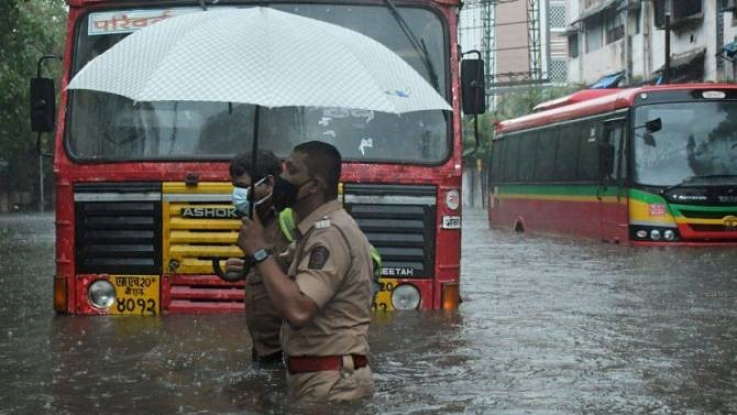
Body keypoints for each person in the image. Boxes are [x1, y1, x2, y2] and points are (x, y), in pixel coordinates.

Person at [237, 141, 375, 403]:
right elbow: (284, 276)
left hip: (332, 385)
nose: (282, 179)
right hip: (318, 379)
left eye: (292, 172)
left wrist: (259, 252)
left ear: (314, 185)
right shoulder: (312, 231)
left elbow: (299, 309)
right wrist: (255, 260)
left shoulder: (330, 234)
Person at [226, 150, 290, 364]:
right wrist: (244, 267)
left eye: (244, 188)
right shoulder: (254, 221)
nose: (237, 194)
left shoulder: (289, 218)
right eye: (234, 187)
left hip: (288, 350)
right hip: (264, 349)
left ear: (270, 183)